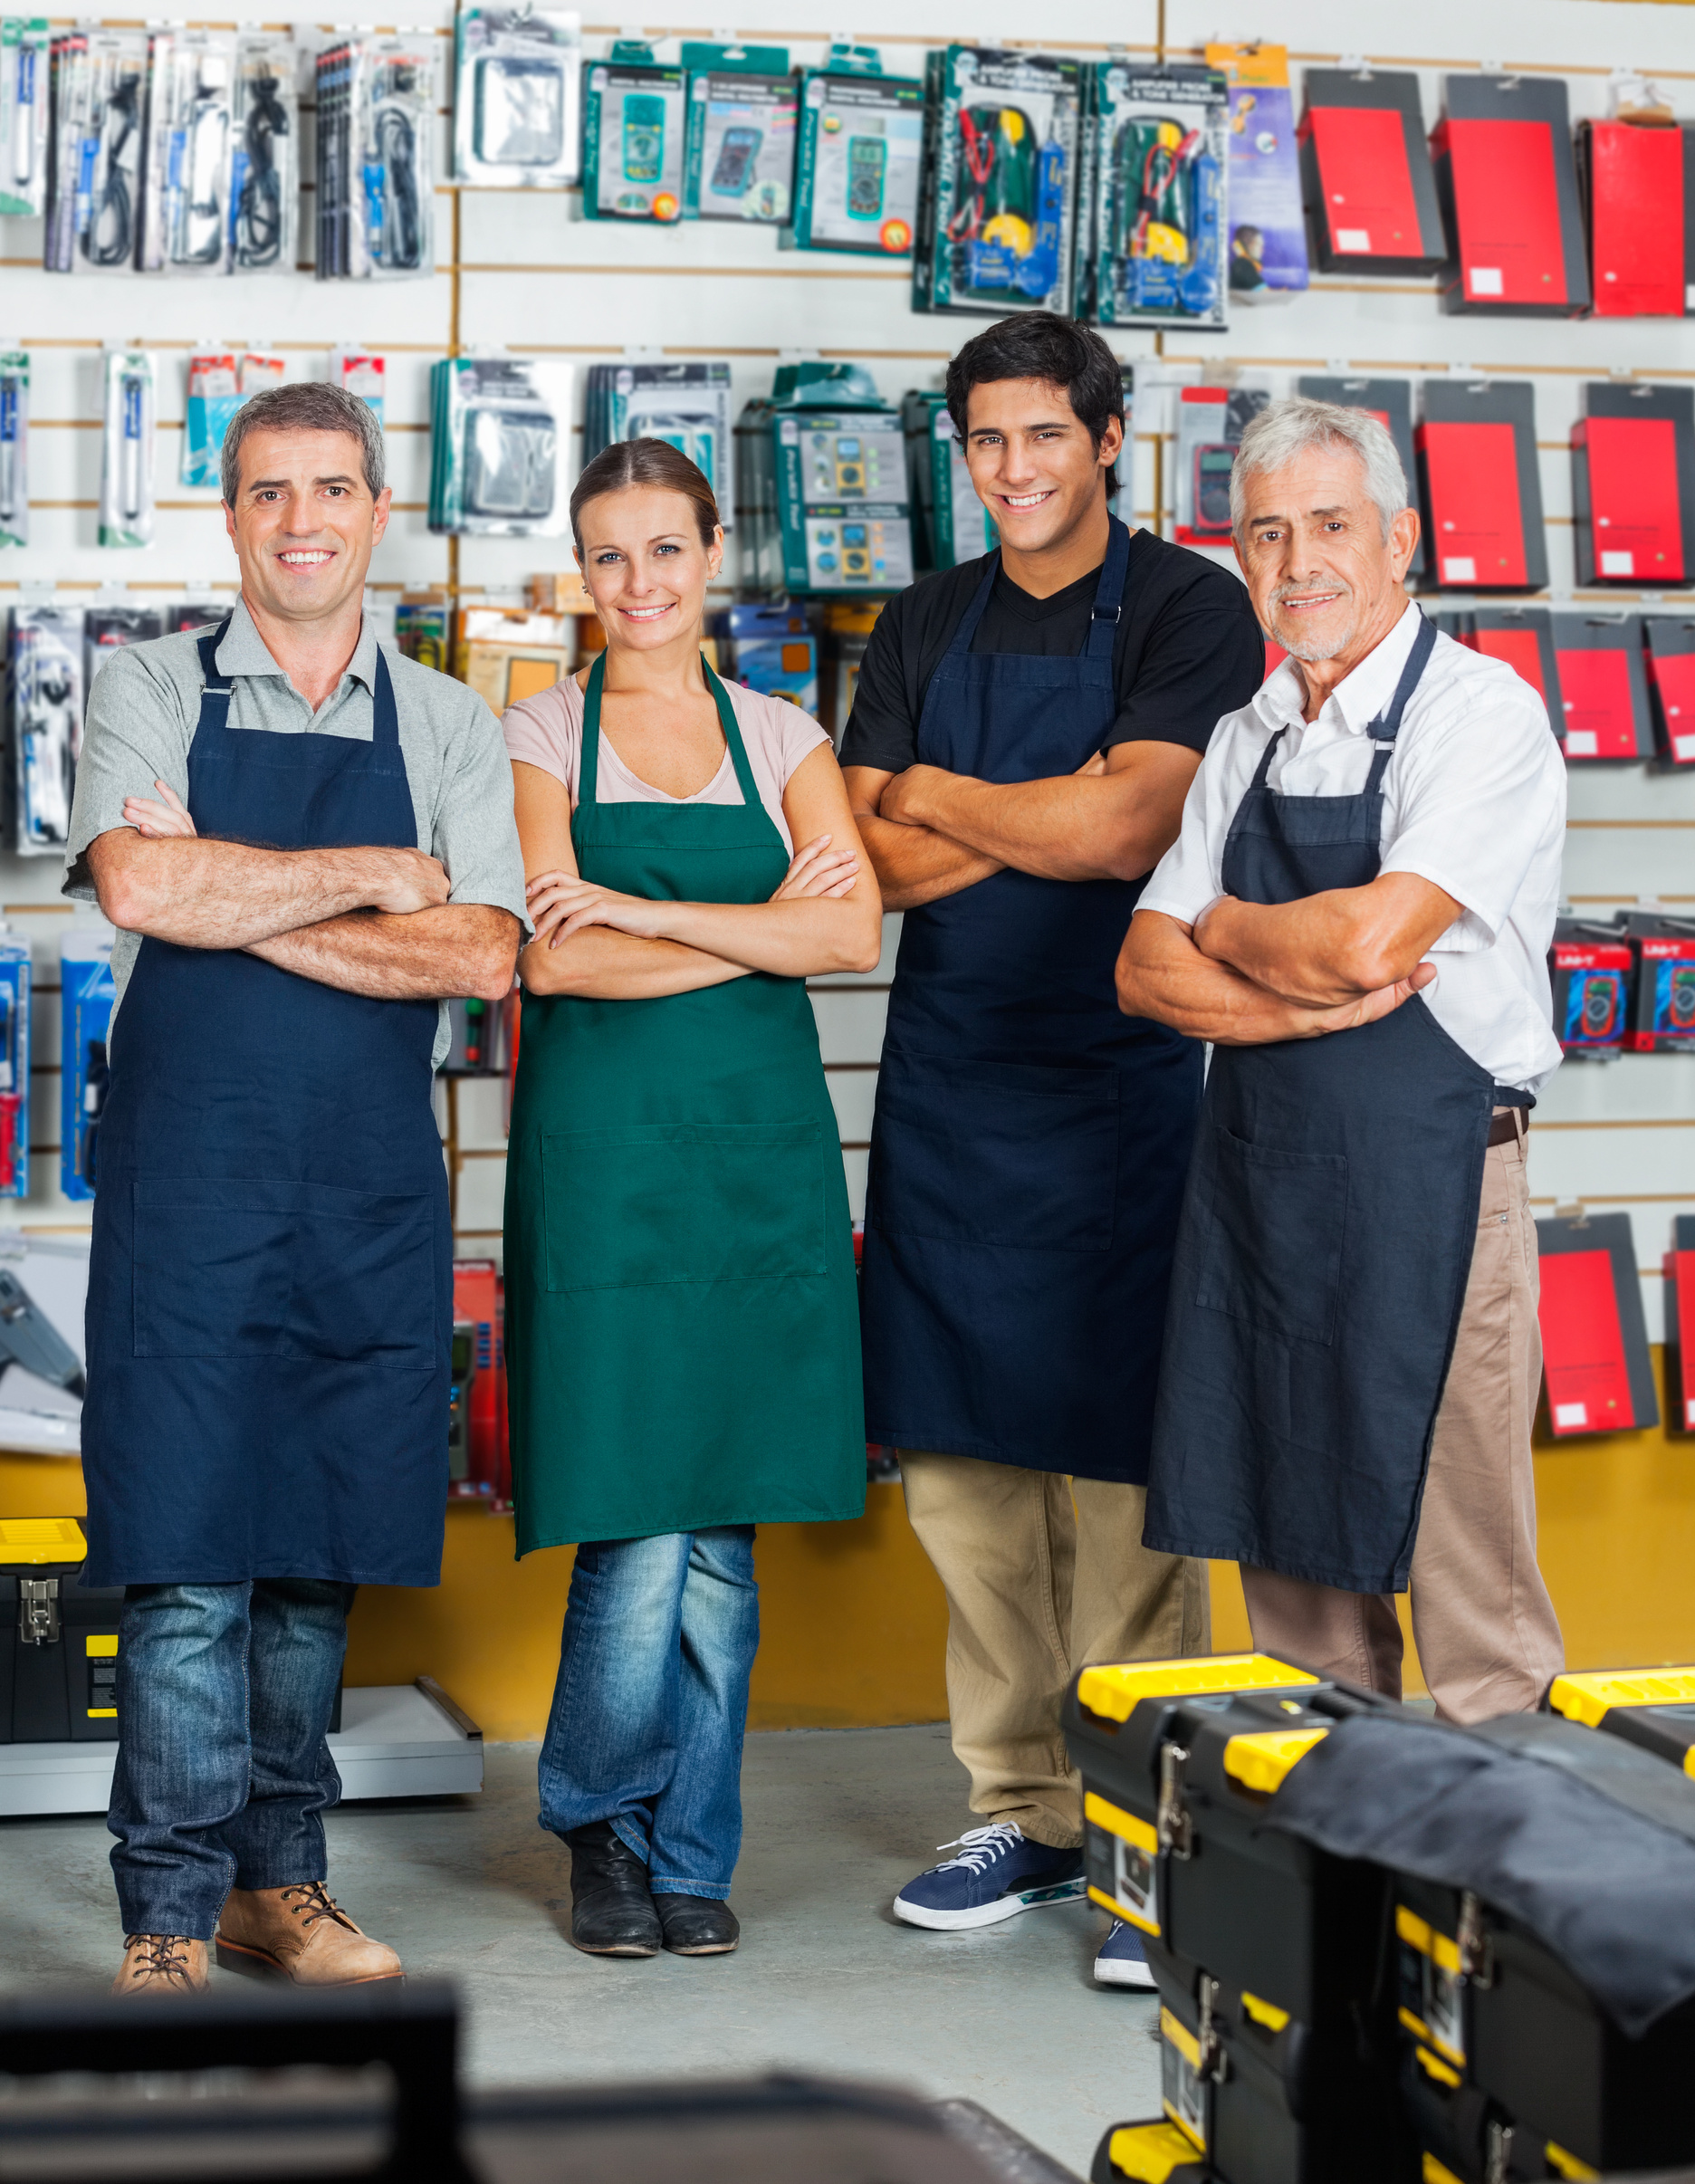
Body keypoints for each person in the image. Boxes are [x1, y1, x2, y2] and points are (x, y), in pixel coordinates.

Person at [68, 380, 528, 1997]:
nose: (304, 521)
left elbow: (477, 950)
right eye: (272, 492)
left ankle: (286, 1883)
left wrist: (238, 895)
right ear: (233, 513)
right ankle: (171, 1911)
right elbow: (136, 882)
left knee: (315, 1539)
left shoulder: (452, 724)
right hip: (194, 1184)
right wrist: (369, 879)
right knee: (188, 1549)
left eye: (333, 489)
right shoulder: (146, 684)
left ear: (377, 509)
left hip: (363, 1190)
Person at [839, 313, 1265, 1988]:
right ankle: (1016, 1804)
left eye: (1042, 437)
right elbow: (863, 861)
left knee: (1122, 1468)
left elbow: (1134, 825)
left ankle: (1144, 1826)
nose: (1013, 471)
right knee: (962, 1472)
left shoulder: (1186, 607)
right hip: (950, 1086)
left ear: (1107, 436)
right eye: (985, 442)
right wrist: (1016, 809)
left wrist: (942, 795)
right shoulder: (924, 616)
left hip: (1121, 1087)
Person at [1121, 397, 1566, 1721]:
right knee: (1292, 1538)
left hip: (1436, 1184)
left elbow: (1375, 942)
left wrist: (1225, 924)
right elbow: (1143, 972)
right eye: (1267, 533)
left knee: (1465, 1555)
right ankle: (1316, 1870)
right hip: (1266, 1193)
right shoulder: (1246, 735)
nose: (1298, 561)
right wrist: (1295, 991)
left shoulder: (1482, 717)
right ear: (1241, 556)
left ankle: (1502, 1893)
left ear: (1401, 540)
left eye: (1330, 524)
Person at [502, 439, 879, 1962]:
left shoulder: (784, 731)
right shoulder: (535, 730)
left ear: (713, 552)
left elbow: (849, 936)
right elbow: (552, 959)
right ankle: (604, 1823)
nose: (639, 584)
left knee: (721, 1540)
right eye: (609, 557)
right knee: (636, 1518)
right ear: (580, 572)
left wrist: (650, 909)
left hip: (758, 1172)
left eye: (666, 550)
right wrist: (755, 927)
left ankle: (688, 1853)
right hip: (606, 1172)